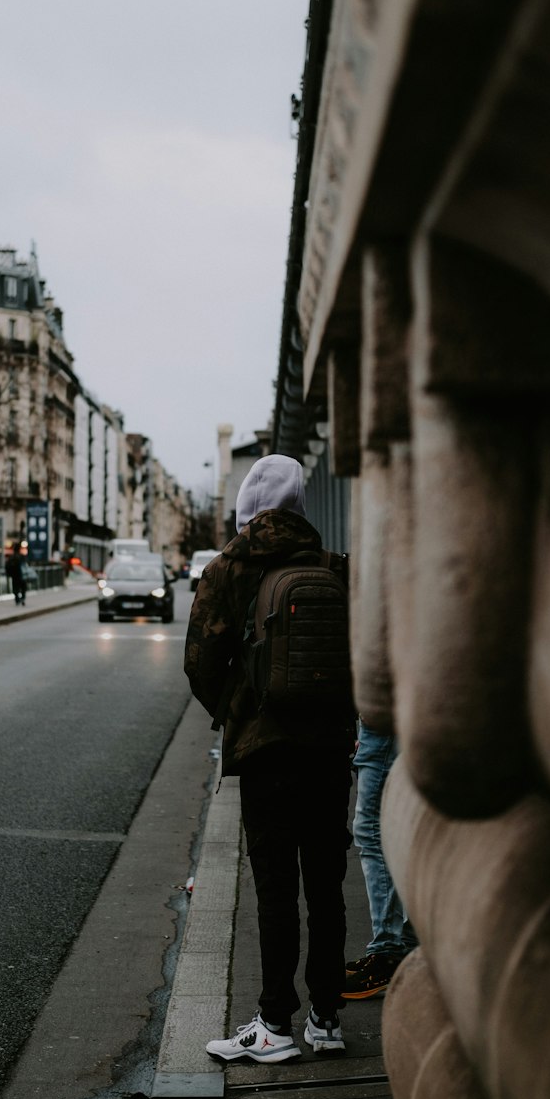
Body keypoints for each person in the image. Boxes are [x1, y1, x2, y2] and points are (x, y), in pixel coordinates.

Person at [185, 454, 354, 1064]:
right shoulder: (334, 566)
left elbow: (201, 661)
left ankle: (274, 1025)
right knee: (327, 885)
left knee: (276, 887)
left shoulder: (230, 568)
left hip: (266, 750)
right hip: (331, 746)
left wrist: (240, 707)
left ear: (248, 508)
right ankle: (328, 1019)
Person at [341, 719, 418, 1000]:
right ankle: (405, 944)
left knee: (373, 830)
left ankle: (387, 953)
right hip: (400, 717)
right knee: (404, 828)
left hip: (385, 719)